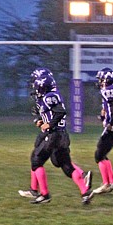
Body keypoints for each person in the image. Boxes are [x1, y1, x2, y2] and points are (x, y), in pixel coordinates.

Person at [27, 74, 93, 204]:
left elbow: (60, 112)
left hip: (54, 135)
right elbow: (54, 113)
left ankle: (44, 194)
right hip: (62, 135)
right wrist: (43, 121)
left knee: (36, 161)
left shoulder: (49, 96)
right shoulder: (52, 96)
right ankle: (85, 192)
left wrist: (49, 124)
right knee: (67, 166)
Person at [18, 67, 56, 199]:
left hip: (52, 132)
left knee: (58, 160)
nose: (34, 85)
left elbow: (55, 115)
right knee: (37, 157)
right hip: (50, 131)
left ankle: (42, 193)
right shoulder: (46, 95)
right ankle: (34, 189)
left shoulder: (49, 96)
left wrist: (45, 122)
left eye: (35, 81)